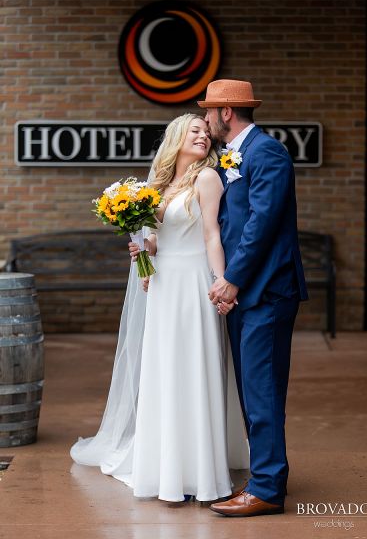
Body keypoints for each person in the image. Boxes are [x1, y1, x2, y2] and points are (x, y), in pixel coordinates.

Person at [71, 113, 250, 502]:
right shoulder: (159, 186)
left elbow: (211, 235)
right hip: (164, 286)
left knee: (194, 369)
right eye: (195, 132)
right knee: (165, 369)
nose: (204, 137)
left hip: (192, 284)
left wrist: (221, 283)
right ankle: (164, 467)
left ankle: (200, 473)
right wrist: (143, 250)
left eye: (206, 132)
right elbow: (156, 241)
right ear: (177, 139)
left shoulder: (207, 178)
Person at [199, 79, 308, 517]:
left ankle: (265, 490)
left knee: (262, 391)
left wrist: (232, 280)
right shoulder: (230, 156)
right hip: (246, 295)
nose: (205, 119)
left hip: (268, 291)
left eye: (209, 111)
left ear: (227, 113)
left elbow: (261, 224)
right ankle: (265, 475)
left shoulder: (267, 153)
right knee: (251, 391)